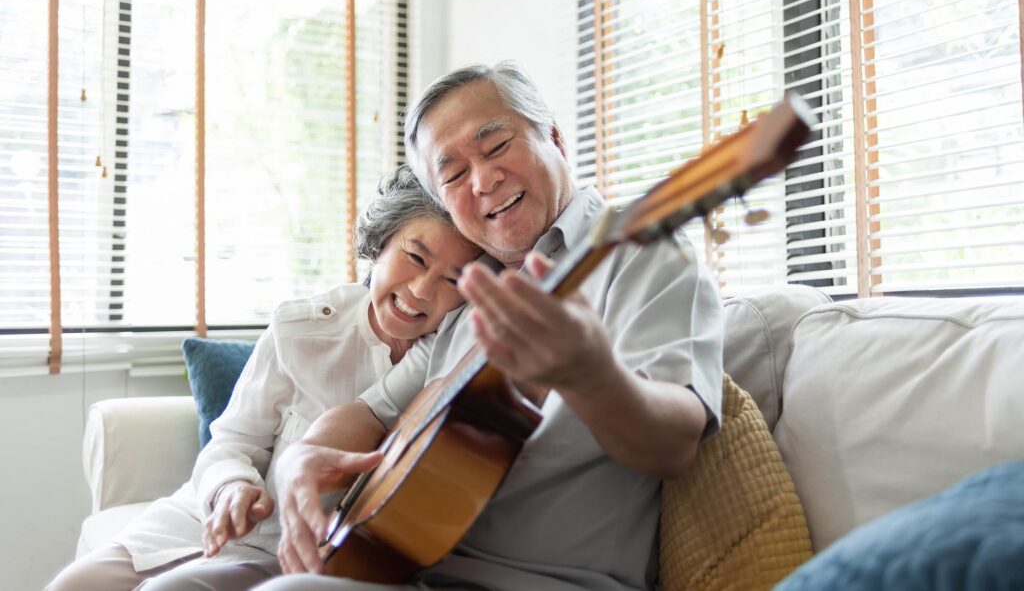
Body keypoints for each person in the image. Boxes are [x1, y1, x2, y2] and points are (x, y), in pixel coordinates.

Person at [260, 62, 725, 591]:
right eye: (453, 174)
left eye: (497, 146)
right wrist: (300, 459)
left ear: (554, 138)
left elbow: (674, 445)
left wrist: (591, 375)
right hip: (398, 566)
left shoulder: (644, 254)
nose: (482, 180)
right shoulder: (468, 294)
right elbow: (371, 412)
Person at [45, 166, 481, 591]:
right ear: (382, 241)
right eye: (415, 257)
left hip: (284, 554)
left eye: (452, 279)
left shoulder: (449, 351)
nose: (423, 290)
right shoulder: (301, 329)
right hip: (203, 518)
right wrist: (231, 487)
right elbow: (232, 441)